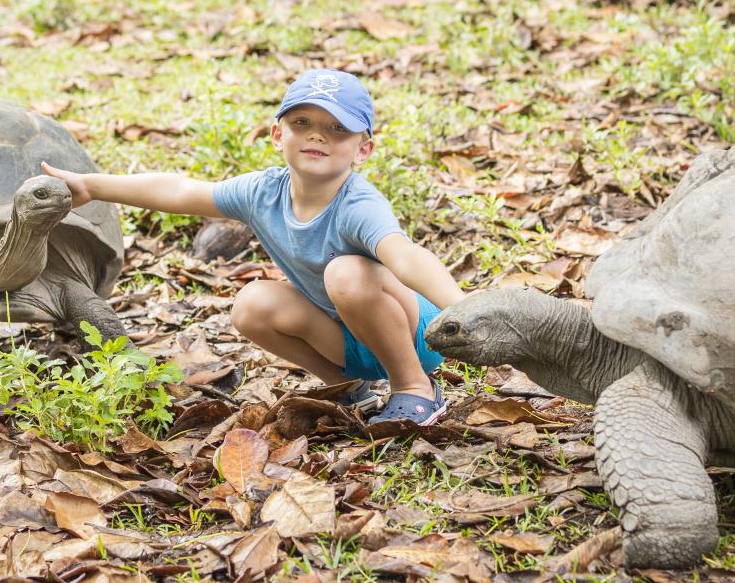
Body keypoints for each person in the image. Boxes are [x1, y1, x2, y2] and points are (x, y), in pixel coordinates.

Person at [42, 68, 466, 424]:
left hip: (413, 334)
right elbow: (178, 190)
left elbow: (406, 256)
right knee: (252, 304)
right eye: (303, 123)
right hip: (347, 337)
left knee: (347, 272)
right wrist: (91, 186)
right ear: (277, 135)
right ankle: (350, 389)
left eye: (337, 128)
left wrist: (467, 312)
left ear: (363, 149)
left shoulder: (358, 203)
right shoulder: (262, 191)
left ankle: (414, 387)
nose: (317, 136)